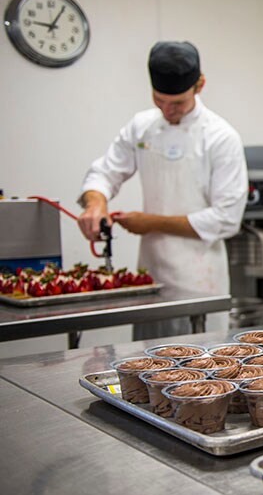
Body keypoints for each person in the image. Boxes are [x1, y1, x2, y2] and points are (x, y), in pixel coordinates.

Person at [78, 41, 248, 340]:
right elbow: (105, 171)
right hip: (149, 280)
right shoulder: (141, 126)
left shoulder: (221, 137)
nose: (167, 110)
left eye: (177, 104)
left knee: (199, 373)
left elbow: (226, 219)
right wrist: (95, 203)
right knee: (145, 366)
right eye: (159, 101)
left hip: (198, 283)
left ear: (200, 85)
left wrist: (151, 223)